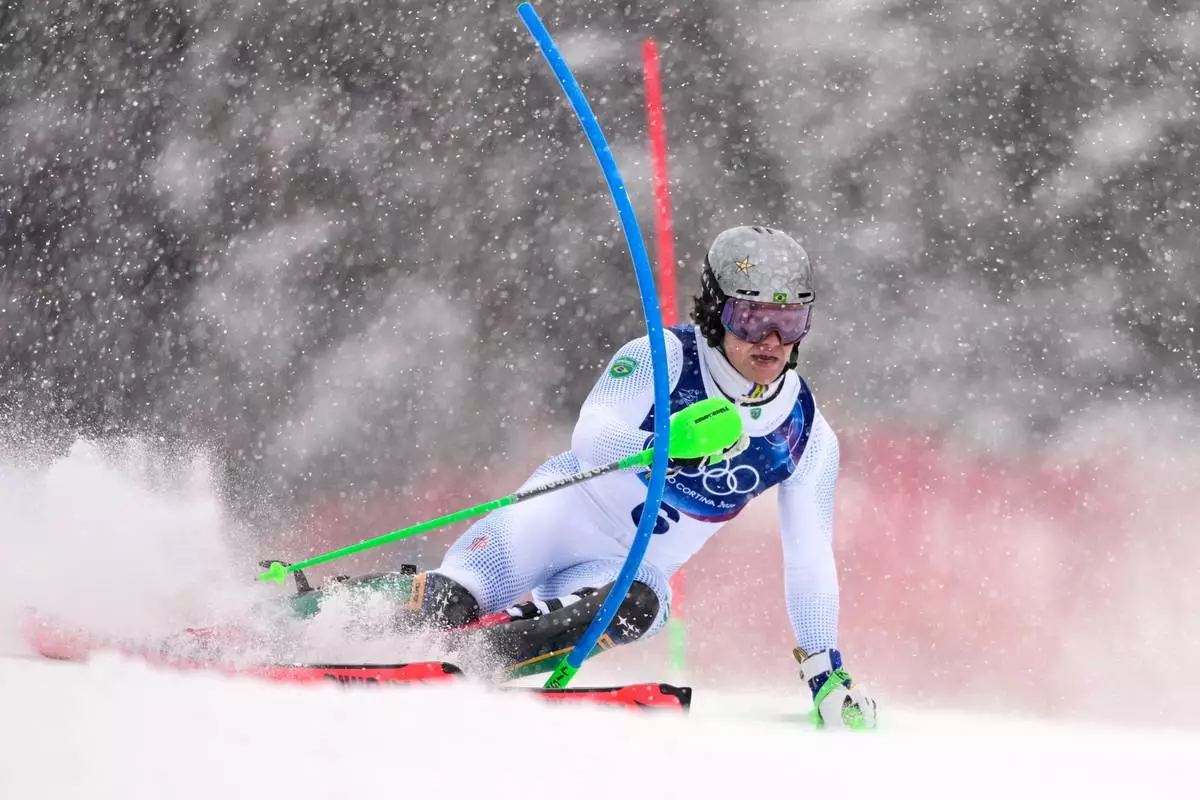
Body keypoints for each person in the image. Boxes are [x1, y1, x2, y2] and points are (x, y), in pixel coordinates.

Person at [387, 225, 876, 729]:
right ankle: (336, 614)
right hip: (555, 520)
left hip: (620, 570)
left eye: (789, 322)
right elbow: (592, 435)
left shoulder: (805, 433)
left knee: (641, 603)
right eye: (752, 320)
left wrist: (825, 673)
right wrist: (665, 448)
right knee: (449, 602)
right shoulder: (665, 356)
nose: (771, 341)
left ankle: (473, 659)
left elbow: (810, 557)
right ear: (717, 313)